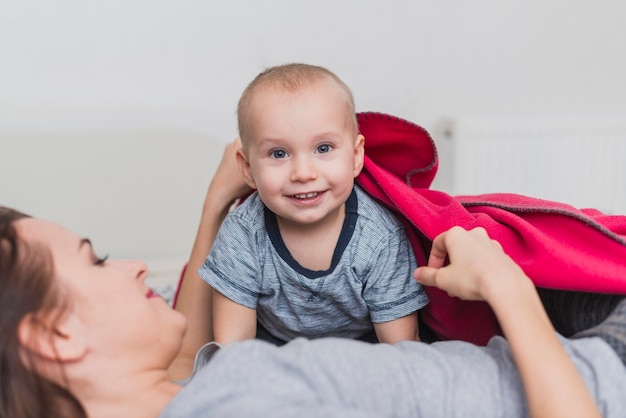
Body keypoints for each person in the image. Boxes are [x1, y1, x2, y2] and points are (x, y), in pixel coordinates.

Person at [2, 140, 626, 418]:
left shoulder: (191, 393)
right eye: (95, 258)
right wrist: (505, 284)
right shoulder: (237, 403)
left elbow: (186, 356)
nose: (132, 264)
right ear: (53, 337)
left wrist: (216, 201)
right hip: (596, 378)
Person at [197, 63, 428, 346]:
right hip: (273, 354)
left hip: (361, 356)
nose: (304, 173)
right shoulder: (243, 233)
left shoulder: (381, 238)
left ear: (356, 156)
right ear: (247, 169)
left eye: (323, 148)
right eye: (279, 153)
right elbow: (234, 350)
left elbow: (401, 349)